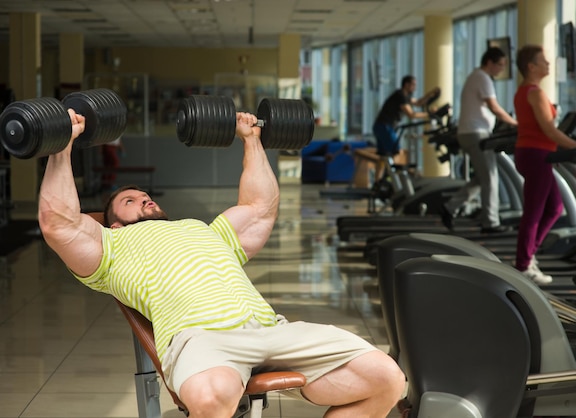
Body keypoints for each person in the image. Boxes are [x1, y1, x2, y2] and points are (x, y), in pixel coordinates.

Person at [38, 109, 406, 418]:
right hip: (203, 339)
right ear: (114, 222)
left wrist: (251, 139)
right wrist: (62, 144)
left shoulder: (203, 230)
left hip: (270, 330)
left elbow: (259, 208)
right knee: (211, 397)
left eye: (145, 195)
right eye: (130, 201)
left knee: (387, 379)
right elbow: (59, 223)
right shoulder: (110, 246)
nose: (144, 198)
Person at [513, 45, 576, 285]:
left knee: (554, 208)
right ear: (531, 66)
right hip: (536, 155)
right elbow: (549, 130)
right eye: (544, 61)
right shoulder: (535, 93)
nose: (549, 64)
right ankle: (522, 265)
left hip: (532, 153)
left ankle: (529, 255)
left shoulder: (524, 92)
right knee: (534, 211)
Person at [440, 47, 518, 233]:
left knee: (481, 178)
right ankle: (490, 222)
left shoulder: (475, 76)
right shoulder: (483, 78)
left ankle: (450, 207)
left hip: (471, 132)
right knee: (490, 178)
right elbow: (494, 107)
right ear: (489, 62)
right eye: (499, 65)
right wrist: (516, 124)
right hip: (476, 133)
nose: (501, 69)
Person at [373, 75, 440, 158]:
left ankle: (383, 171)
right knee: (397, 152)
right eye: (413, 85)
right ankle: (396, 170)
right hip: (385, 126)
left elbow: (418, 102)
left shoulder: (404, 96)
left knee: (384, 156)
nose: (415, 87)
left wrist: (431, 94)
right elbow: (412, 115)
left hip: (380, 126)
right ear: (406, 85)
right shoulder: (400, 96)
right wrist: (430, 114)